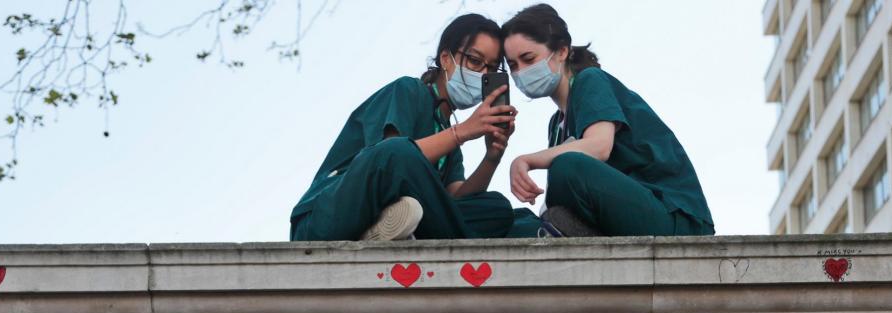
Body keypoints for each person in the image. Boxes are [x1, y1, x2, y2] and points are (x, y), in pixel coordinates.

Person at [290, 14, 527, 241]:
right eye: (475, 61)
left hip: (409, 213)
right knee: (398, 152)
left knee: (497, 209)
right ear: (446, 59)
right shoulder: (408, 91)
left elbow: (454, 199)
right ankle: (407, 227)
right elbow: (392, 161)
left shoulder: (446, 132)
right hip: (326, 217)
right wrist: (463, 131)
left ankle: (387, 228)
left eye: (491, 69)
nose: (483, 73)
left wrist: (492, 156)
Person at [501, 4, 716, 237]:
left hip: (672, 217)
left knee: (568, 166)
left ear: (562, 52)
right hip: (623, 216)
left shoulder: (590, 81)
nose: (521, 71)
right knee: (511, 220)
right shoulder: (557, 125)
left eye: (528, 58)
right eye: (513, 65)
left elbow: (599, 146)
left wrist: (526, 161)